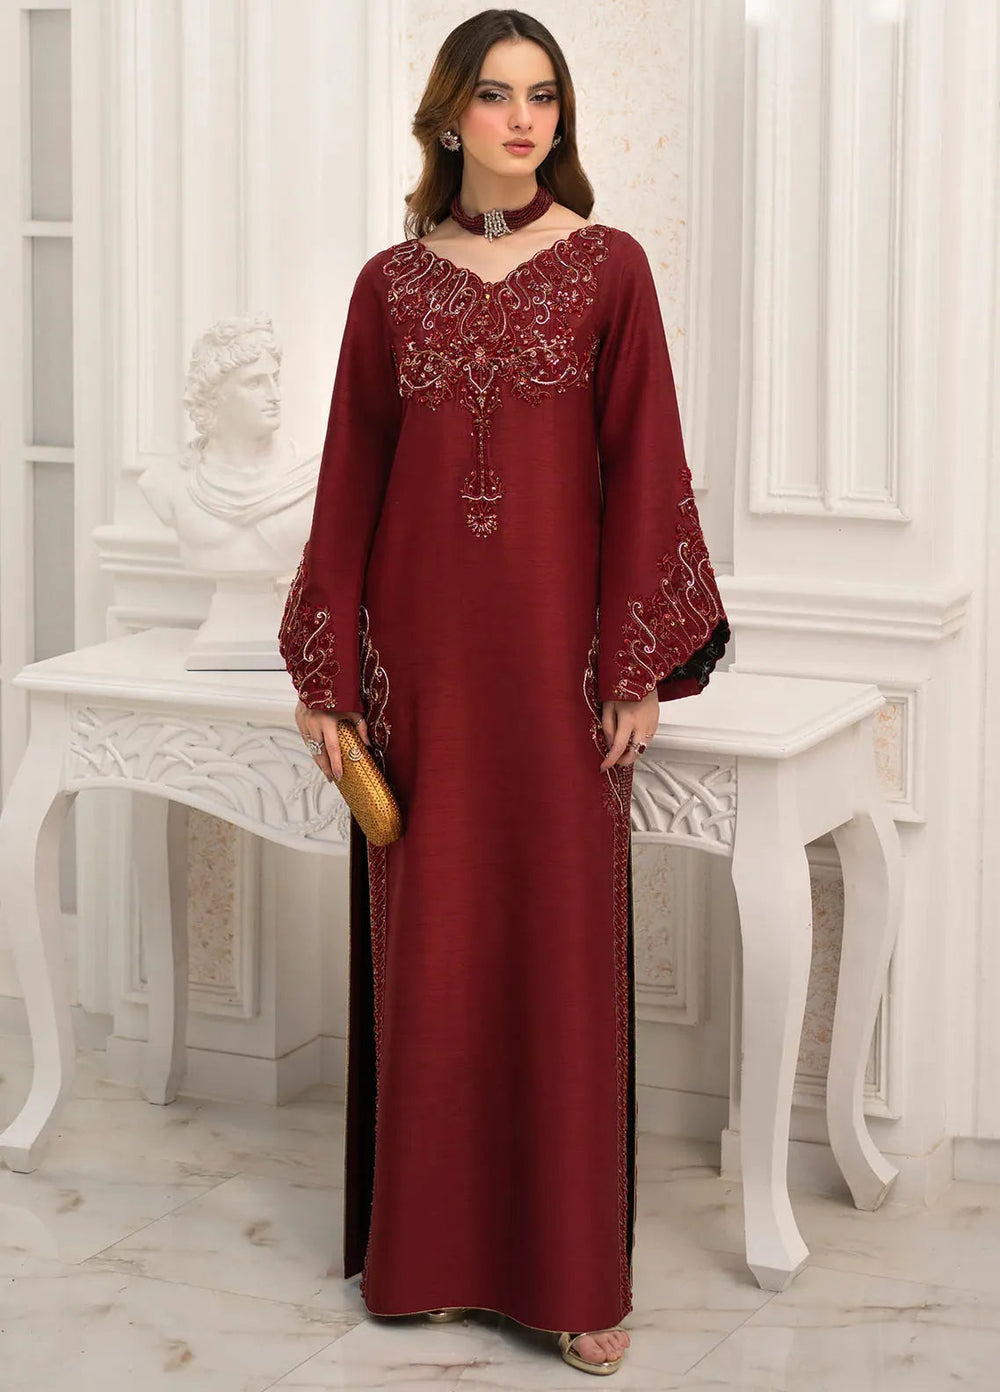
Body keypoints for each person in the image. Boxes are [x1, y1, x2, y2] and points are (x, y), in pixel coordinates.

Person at [278, 8, 730, 1378]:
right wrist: (328, 676)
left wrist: (634, 660)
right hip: (418, 670)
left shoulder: (608, 269)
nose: (522, 119)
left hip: (557, 671)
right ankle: (427, 1262)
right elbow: (350, 478)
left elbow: (645, 461)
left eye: (543, 97)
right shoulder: (390, 287)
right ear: (448, 115)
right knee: (435, 944)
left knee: (559, 947)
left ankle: (576, 1282)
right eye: (495, 94)